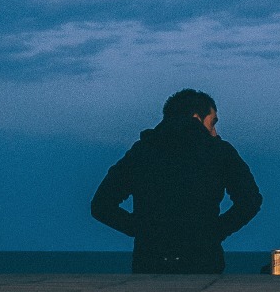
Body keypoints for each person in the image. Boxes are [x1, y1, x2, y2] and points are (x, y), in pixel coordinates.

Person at [91, 89, 262, 274]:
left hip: (150, 262)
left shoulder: (142, 151)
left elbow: (101, 205)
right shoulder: (219, 151)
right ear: (197, 117)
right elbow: (250, 200)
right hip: (203, 261)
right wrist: (213, 233)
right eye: (213, 123)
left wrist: (143, 230)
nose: (215, 132)